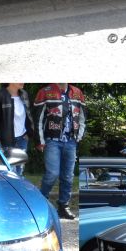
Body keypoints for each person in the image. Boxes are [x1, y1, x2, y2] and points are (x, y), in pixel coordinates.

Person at [34, 83, 86, 219]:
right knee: (52, 173)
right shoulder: (45, 91)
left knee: (68, 176)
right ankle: (41, 203)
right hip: (52, 140)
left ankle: (63, 206)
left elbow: (82, 117)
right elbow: (38, 118)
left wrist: (78, 137)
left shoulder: (77, 92)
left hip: (71, 141)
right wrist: (40, 140)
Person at [0, 83, 33, 177]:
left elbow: (29, 115)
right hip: (5, 142)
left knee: (19, 173)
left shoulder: (24, 94)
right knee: (9, 174)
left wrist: (29, 133)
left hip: (22, 139)